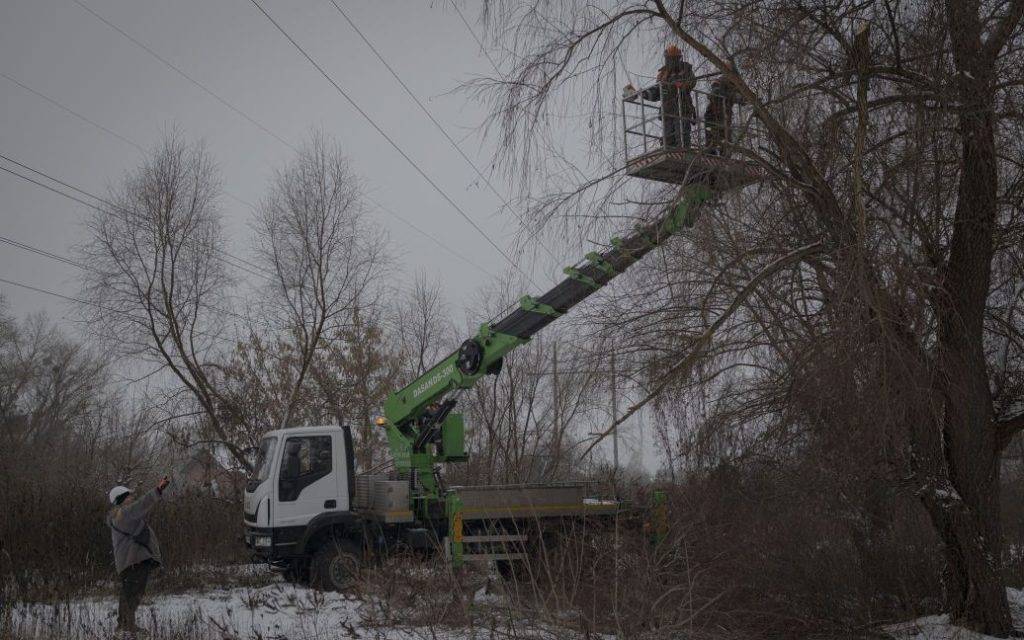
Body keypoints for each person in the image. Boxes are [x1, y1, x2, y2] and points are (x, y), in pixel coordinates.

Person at [108, 476, 170, 637]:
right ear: (122, 500)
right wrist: (157, 490)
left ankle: (126, 625)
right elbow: (143, 504)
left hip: (131, 561)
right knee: (133, 593)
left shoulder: (121, 516)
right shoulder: (125, 514)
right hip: (133, 561)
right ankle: (126, 627)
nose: (132, 498)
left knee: (130, 593)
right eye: (129, 496)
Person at [641, 44, 696, 148]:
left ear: (678, 58)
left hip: (682, 107)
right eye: (669, 59)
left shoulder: (685, 69)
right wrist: (643, 94)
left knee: (682, 136)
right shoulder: (663, 74)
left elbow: (692, 82)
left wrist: (682, 85)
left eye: (673, 59)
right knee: (668, 138)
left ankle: (683, 152)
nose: (671, 61)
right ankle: (670, 150)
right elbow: (657, 93)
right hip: (667, 111)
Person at [704, 70, 745, 155]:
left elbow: (741, 98)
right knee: (712, 135)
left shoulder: (731, 86)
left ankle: (724, 154)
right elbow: (715, 92)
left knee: (725, 136)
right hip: (713, 114)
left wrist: (746, 99)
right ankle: (712, 152)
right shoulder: (721, 83)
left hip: (724, 115)